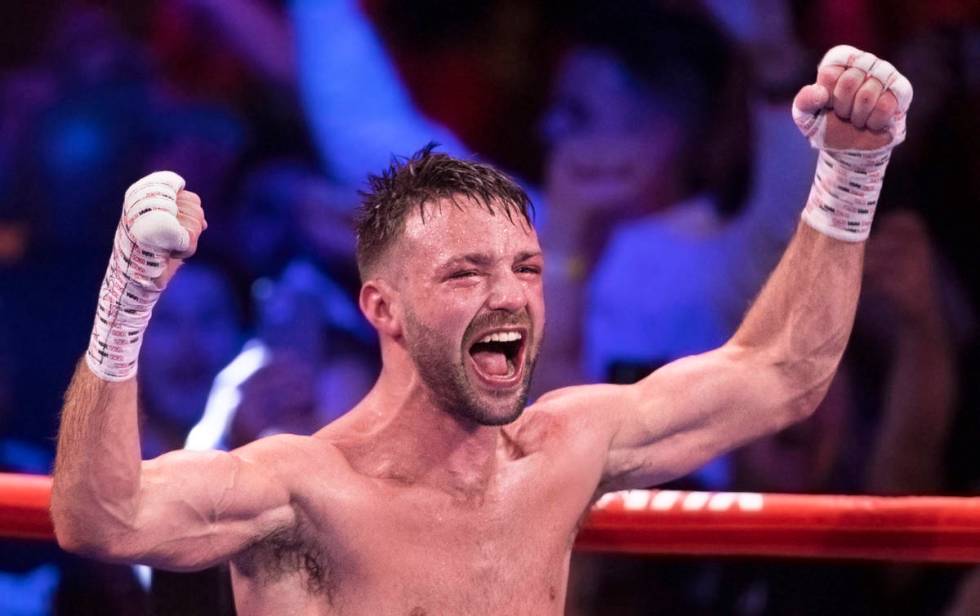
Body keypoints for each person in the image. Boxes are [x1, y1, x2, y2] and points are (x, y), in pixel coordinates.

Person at [50, 47, 911, 614]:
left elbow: (783, 371)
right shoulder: (300, 489)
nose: (510, 297)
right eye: (466, 273)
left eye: (527, 270)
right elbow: (104, 520)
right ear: (383, 308)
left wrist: (849, 168)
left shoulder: (565, 448)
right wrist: (126, 299)